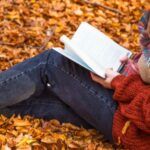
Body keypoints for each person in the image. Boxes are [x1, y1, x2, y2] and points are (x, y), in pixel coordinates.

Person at [0, 10, 149, 149]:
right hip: (131, 119)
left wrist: (120, 82)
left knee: (52, 62)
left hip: (130, 126)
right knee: (36, 98)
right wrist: (134, 66)